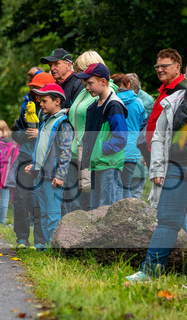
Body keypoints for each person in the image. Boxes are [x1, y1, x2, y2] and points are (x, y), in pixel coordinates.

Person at [127, 60, 187, 282]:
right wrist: (158, 168)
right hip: (175, 169)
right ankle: (149, 271)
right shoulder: (172, 102)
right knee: (167, 221)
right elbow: (159, 137)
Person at [63, 50, 116, 212]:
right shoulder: (84, 91)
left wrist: (100, 148)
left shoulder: (106, 92)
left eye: (81, 71)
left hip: (91, 152)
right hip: (74, 150)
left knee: (90, 202)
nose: (78, 76)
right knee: (74, 202)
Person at [24, 83, 74, 249]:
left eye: (44, 101)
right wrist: (34, 165)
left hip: (52, 177)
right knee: (43, 214)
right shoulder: (45, 122)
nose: (41, 104)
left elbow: (66, 151)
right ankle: (46, 246)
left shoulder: (62, 123)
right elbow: (43, 148)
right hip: (41, 175)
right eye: (40, 101)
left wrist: (60, 175)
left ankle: (56, 249)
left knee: (53, 215)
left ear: (57, 101)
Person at [11, 71, 54, 248]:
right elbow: (15, 132)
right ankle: (21, 238)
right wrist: (27, 135)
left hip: (44, 160)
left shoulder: (53, 107)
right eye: (33, 88)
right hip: (25, 156)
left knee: (39, 200)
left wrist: (40, 134)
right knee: (21, 198)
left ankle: (40, 241)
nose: (34, 92)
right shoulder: (27, 104)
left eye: (37, 88)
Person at [77, 63, 128, 210]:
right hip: (97, 163)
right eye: (86, 84)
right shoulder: (94, 106)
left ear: (103, 81)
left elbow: (121, 138)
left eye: (90, 83)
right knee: (95, 208)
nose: (87, 87)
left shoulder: (114, 106)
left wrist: (101, 149)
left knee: (107, 207)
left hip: (108, 164)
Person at [139, 49, 187, 166]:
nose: (159, 70)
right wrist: (148, 150)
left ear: (177, 67)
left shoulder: (184, 91)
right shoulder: (165, 89)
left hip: (170, 157)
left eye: (164, 66)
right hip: (154, 152)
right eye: (157, 67)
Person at [111, 73, 146, 199]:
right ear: (128, 84)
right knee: (126, 187)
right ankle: (130, 210)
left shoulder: (111, 101)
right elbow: (142, 123)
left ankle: (118, 211)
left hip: (115, 148)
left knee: (116, 187)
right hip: (132, 148)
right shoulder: (138, 102)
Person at [0, 119, 17, 225]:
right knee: (14, 199)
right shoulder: (12, 142)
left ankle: (2, 222)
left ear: (4, 131)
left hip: (4, 176)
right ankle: (18, 222)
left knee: (4, 199)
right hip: (13, 175)